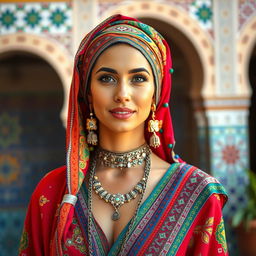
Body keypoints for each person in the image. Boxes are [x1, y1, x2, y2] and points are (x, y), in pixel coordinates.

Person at [19, 14, 228, 256]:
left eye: (138, 78)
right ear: (87, 93)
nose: (122, 93)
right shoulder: (53, 192)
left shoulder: (197, 193)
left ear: (156, 94)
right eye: (106, 78)